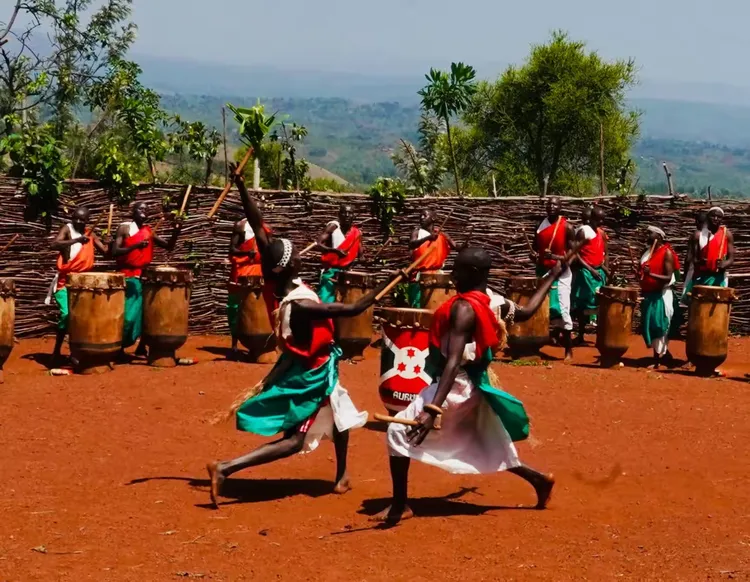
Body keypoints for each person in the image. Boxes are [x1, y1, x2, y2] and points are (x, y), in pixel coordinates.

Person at [206, 165, 389, 508]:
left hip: (313, 364)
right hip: (311, 373)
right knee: (293, 441)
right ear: (291, 266)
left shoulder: (274, 282)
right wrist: (385, 284)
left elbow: (258, 226)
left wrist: (242, 188)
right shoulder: (303, 303)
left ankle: (342, 475)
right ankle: (226, 468)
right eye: (295, 254)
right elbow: (350, 310)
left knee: (340, 412)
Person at [374, 247, 564, 524]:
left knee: (397, 431)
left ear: (473, 273)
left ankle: (400, 505)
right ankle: (538, 479)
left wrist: (432, 408)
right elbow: (526, 311)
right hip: (476, 383)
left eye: (458, 269)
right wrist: (552, 276)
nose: (452, 274)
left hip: (457, 385)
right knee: (484, 439)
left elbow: (452, 361)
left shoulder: (463, 308)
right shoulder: (494, 302)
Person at [112, 202, 182, 358]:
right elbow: (115, 251)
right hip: (127, 277)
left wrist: (176, 231)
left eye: (147, 209)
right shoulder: (124, 228)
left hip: (144, 277)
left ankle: (142, 347)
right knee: (129, 316)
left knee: (146, 315)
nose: (144, 211)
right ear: (133, 211)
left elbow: (168, 246)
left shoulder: (148, 231)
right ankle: (119, 347)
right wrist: (135, 246)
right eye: (141, 209)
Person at [46, 207, 109, 367]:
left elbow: (106, 252)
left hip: (83, 283)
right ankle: (57, 350)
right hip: (65, 282)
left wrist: (108, 242)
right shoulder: (68, 229)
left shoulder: (90, 233)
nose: (79, 222)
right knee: (67, 315)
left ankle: (76, 353)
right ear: (73, 217)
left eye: (83, 219)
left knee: (81, 318)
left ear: (87, 220)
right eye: (77, 218)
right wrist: (77, 240)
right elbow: (54, 244)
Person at [532, 196, 575, 361]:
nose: (551, 206)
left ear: (560, 207)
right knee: (540, 308)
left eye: (555, 204)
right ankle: (535, 345)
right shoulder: (540, 226)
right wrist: (534, 256)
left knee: (563, 310)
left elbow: (572, 256)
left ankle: (568, 350)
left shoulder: (567, 227)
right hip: (543, 272)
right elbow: (537, 250)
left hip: (561, 272)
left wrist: (557, 257)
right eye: (548, 204)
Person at [227, 212, 274, 360]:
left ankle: (262, 343)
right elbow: (232, 249)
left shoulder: (266, 228)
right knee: (236, 307)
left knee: (261, 306)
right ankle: (234, 344)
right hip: (241, 269)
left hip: (259, 270)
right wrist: (248, 252)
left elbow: (271, 250)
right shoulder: (241, 226)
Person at [637, 226, 680, 369]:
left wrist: (651, 275)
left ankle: (657, 360)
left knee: (659, 324)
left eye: (650, 233)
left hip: (661, 295)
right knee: (650, 324)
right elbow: (642, 273)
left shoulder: (666, 253)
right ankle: (664, 355)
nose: (646, 235)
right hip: (649, 295)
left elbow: (668, 277)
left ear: (659, 237)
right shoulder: (646, 253)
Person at [572, 206, 608, 343]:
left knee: (599, 305)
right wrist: (590, 269)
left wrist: (604, 270)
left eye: (603, 220)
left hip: (598, 274)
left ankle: (600, 336)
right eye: (599, 220)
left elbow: (603, 254)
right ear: (592, 219)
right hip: (585, 273)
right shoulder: (583, 232)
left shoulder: (600, 233)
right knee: (583, 305)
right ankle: (581, 335)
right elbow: (575, 253)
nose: (601, 222)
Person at [315, 204, 365, 303]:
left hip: (346, 274)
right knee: (325, 302)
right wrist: (335, 251)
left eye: (350, 213)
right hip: (330, 272)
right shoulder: (333, 227)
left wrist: (363, 258)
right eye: (344, 212)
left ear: (353, 216)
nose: (347, 215)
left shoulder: (356, 233)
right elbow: (318, 244)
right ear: (339, 214)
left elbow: (361, 255)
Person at [407, 209, 457, 307]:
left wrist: (464, 245)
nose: (421, 218)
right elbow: (412, 244)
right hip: (420, 275)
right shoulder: (417, 232)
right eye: (420, 216)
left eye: (424, 215)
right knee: (418, 304)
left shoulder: (441, 234)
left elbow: (455, 246)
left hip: (437, 274)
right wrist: (428, 238)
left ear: (433, 218)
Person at [683, 206, 734, 296]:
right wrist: (700, 262)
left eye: (719, 217)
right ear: (707, 217)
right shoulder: (698, 235)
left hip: (718, 278)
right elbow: (692, 259)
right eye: (713, 216)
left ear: (722, 219)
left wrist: (724, 264)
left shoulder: (727, 235)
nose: (715, 218)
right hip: (701, 277)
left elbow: (731, 259)